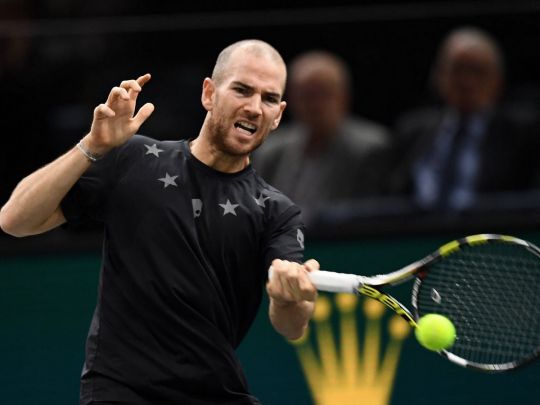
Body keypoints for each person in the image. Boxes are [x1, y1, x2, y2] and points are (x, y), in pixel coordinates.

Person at [0, 39, 320, 405]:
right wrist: (92, 145)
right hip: (121, 393)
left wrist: (287, 298)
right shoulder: (135, 159)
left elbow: (292, 326)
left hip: (217, 393)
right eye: (242, 90)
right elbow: (14, 220)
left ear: (278, 115)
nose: (254, 107)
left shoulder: (277, 212)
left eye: (268, 98)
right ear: (209, 93)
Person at [387, 26, 540, 212]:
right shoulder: (412, 130)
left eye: (477, 71)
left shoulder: (522, 135)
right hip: (416, 228)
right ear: (438, 76)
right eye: (457, 69)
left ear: (498, 81)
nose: (466, 81)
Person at [252, 50, 391, 224]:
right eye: (305, 95)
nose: (313, 105)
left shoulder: (369, 150)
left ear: (343, 96)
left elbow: (368, 218)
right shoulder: (271, 151)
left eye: (322, 94)